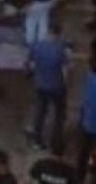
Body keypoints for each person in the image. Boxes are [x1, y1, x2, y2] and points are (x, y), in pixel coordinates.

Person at [26, 22, 70, 153]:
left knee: (40, 112)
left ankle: (37, 140)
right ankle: (55, 143)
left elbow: (30, 63)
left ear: (48, 32)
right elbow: (65, 71)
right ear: (59, 33)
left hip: (40, 84)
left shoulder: (37, 46)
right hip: (56, 86)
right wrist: (65, 84)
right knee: (59, 115)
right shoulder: (60, 50)